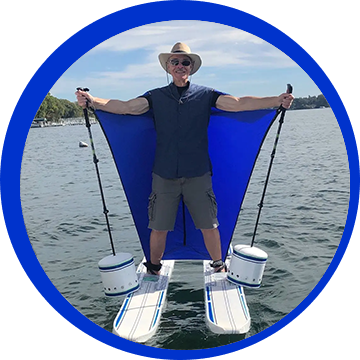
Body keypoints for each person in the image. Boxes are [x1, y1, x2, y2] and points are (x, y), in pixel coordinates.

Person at [76, 42, 294, 275]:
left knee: (209, 225)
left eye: (185, 62)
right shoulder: (155, 96)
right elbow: (127, 107)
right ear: (168, 67)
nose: (180, 65)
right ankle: (153, 268)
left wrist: (275, 100)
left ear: (191, 67)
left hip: (198, 173)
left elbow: (240, 103)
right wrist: (93, 100)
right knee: (158, 227)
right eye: (175, 62)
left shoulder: (206, 95)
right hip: (164, 174)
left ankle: (218, 264)